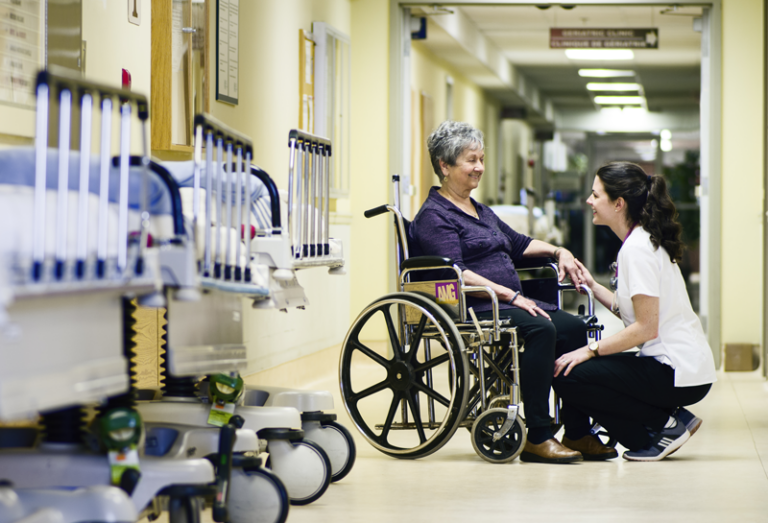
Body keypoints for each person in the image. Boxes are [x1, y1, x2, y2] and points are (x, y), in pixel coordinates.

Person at [410, 121, 614, 464]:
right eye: (470, 160)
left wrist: (558, 251)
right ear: (444, 166)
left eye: (481, 159)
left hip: (507, 303)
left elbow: (519, 244)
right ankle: (538, 435)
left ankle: (577, 431)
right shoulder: (434, 216)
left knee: (575, 330)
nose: (479, 167)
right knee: (540, 328)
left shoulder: (481, 211)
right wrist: (509, 295)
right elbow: (455, 272)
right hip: (471, 308)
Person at [552, 161, 716, 461]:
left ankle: (662, 426)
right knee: (581, 369)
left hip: (674, 370)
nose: (589, 201)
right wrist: (592, 285)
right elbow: (630, 309)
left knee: (569, 376)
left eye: (595, 195)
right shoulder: (640, 242)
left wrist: (590, 350)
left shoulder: (636, 250)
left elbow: (644, 329)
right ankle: (671, 417)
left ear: (618, 203)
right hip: (684, 368)